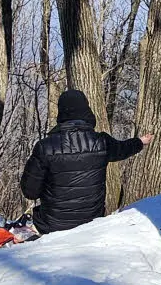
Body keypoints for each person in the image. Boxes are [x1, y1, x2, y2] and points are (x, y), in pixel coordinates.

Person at [19, 89, 150, 235]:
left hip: (52, 225)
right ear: (86, 110)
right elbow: (123, 149)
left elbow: (30, 192)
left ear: (61, 112)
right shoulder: (101, 142)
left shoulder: (45, 147)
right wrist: (140, 142)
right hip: (92, 222)